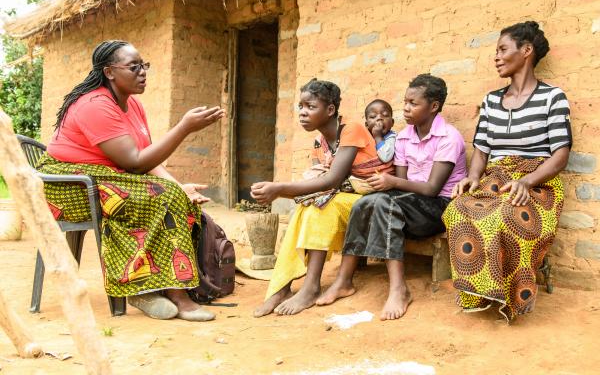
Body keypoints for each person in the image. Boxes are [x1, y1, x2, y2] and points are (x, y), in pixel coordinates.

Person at [36, 40, 225, 322]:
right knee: (158, 197)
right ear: (110, 72)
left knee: (173, 196)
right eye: (133, 66)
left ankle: (151, 288)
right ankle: (168, 293)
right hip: (69, 186)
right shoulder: (94, 105)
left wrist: (178, 185)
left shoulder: (133, 105)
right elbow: (134, 162)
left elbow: (147, 158)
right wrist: (184, 127)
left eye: (144, 65)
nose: (143, 72)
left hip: (104, 177)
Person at [442, 21, 572, 321]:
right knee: (458, 209)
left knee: (504, 216)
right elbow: (483, 149)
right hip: (497, 176)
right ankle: (478, 294)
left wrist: (527, 181)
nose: (496, 57)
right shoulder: (491, 100)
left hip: (539, 180)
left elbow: (561, 155)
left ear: (526, 51)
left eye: (503, 49)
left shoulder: (552, 97)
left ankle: (509, 296)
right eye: (496, 51)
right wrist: (473, 177)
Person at [317, 74, 467, 320]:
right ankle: (343, 281)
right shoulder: (405, 136)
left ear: (433, 106)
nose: (406, 108)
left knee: (384, 202)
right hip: (409, 202)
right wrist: (388, 184)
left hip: (439, 207)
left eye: (413, 103)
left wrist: (391, 182)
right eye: (405, 102)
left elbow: (430, 189)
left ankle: (399, 289)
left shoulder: (448, 137)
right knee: (365, 201)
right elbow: (402, 185)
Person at [251, 78, 393, 317]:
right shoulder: (319, 142)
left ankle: (310, 286)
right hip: (346, 199)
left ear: (330, 110)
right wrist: (282, 191)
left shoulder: (352, 129)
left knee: (321, 207)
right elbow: (316, 181)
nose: (303, 113)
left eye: (310, 107)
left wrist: (279, 189)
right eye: (301, 107)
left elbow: (332, 180)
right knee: (305, 209)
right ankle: (282, 287)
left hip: (375, 200)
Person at [364, 99, 396, 163]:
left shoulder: (392, 137)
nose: (379, 118)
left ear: (392, 122)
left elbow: (386, 157)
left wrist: (378, 137)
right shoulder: (364, 137)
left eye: (385, 115)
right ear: (366, 124)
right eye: (373, 116)